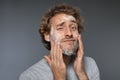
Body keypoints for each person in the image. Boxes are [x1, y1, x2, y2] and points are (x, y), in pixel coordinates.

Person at [19, 3, 100, 80]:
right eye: (60, 28)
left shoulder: (90, 64)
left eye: (73, 27)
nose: (69, 33)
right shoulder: (30, 76)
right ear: (47, 35)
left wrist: (82, 74)